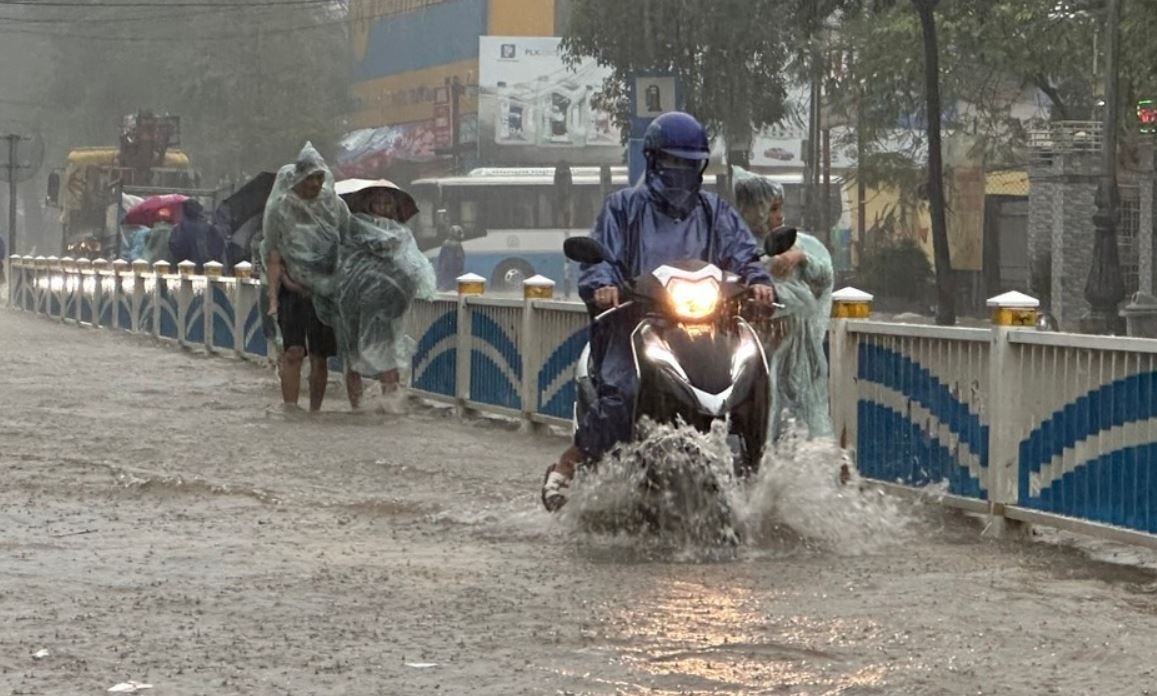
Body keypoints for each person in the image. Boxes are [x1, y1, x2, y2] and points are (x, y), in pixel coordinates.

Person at [540, 112, 776, 512]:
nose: (681, 171)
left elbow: (744, 254)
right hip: (637, 323)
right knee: (624, 391)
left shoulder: (715, 211)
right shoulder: (624, 208)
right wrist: (603, 286)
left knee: (754, 373)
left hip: (708, 327)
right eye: (673, 161)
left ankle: (761, 472)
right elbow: (601, 259)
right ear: (653, 160)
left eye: (689, 163)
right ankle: (571, 462)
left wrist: (758, 281)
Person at [733, 166, 834, 441]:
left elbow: (823, 277)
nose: (779, 215)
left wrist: (800, 257)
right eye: (773, 208)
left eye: (780, 208)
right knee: (766, 414)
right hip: (758, 347)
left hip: (799, 349)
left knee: (807, 418)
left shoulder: (791, 243)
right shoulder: (737, 248)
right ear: (756, 209)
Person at [333, 179, 436, 412]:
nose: (383, 206)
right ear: (368, 204)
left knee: (387, 352)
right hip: (353, 298)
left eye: (387, 202)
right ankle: (357, 408)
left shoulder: (402, 232)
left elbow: (413, 261)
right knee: (352, 353)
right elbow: (349, 252)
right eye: (378, 201)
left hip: (387, 300)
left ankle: (390, 405)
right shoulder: (355, 224)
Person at [262, 143, 349, 412]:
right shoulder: (281, 208)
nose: (315, 184)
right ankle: (290, 410)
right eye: (310, 178)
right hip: (292, 289)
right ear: (299, 177)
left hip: (325, 291)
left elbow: (346, 244)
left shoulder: (334, 206)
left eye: (319, 178)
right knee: (294, 351)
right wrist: (274, 296)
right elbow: (274, 253)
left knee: (320, 357)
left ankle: (314, 412)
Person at [169, 199, 224, 273]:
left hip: (185, 267)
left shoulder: (179, 228)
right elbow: (218, 246)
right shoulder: (209, 227)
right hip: (207, 267)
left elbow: (176, 247)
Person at [436, 225, 465, 291]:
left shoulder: (445, 243)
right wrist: (460, 269)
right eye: (459, 233)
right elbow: (460, 260)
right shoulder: (457, 245)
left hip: (445, 271)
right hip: (454, 271)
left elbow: (441, 258)